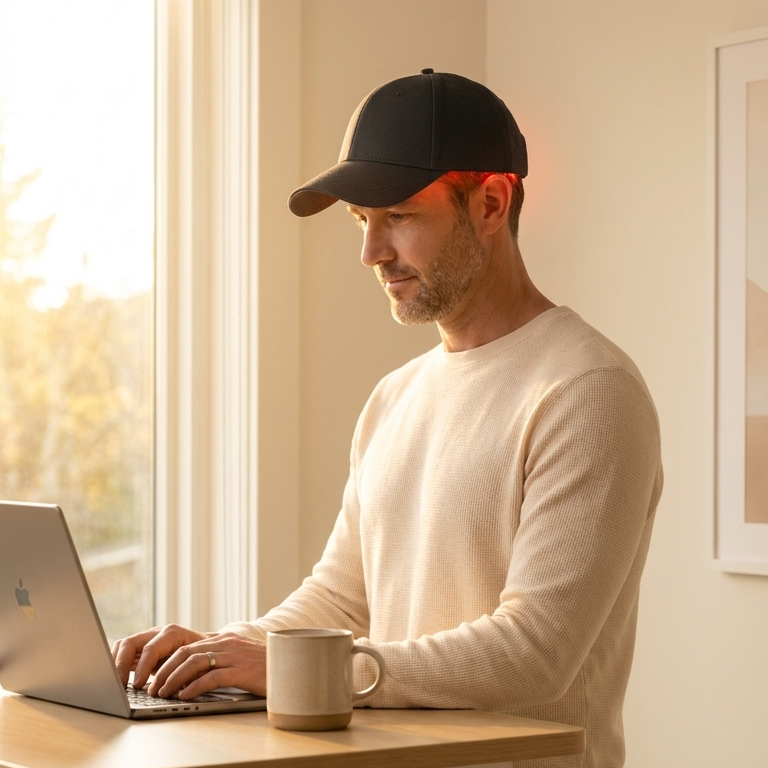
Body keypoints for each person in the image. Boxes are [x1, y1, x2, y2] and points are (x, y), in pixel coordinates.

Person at [113, 70, 662, 768]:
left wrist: (287, 669)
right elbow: (342, 602)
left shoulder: (587, 391)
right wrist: (212, 659)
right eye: (361, 221)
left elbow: (534, 654)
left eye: (397, 215)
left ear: (490, 202)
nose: (371, 252)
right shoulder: (395, 396)